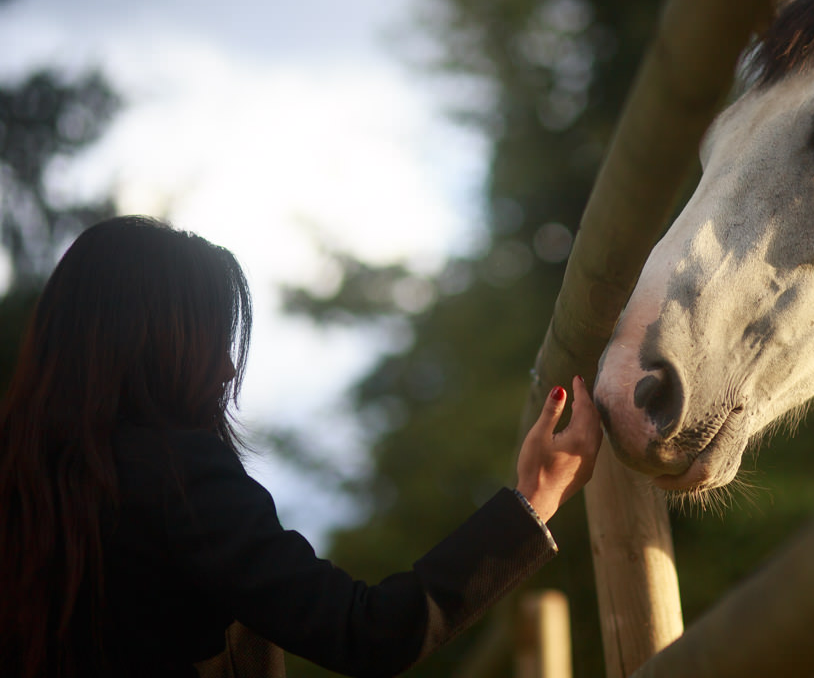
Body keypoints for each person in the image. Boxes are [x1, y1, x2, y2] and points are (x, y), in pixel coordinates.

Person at [0, 215, 604, 678]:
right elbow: (366, 632)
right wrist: (533, 500)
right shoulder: (179, 478)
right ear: (154, 346)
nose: (226, 368)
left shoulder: (24, 479)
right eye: (206, 340)